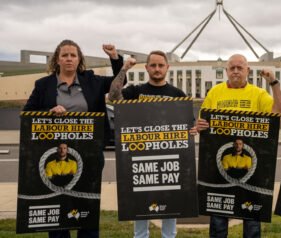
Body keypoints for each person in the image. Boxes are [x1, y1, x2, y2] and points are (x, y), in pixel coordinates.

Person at [23, 39, 124, 238]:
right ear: (57, 60)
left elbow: (119, 83)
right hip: (55, 154)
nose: (69, 59)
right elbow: (27, 114)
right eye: (64, 55)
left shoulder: (92, 80)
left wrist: (114, 58)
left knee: (87, 203)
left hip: (90, 154)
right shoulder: (43, 85)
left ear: (79, 60)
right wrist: (48, 111)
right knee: (58, 204)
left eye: (73, 55)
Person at [193, 54, 281, 238]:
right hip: (221, 169)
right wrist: (200, 125)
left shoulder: (258, 94)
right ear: (226, 71)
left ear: (247, 71)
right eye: (232, 68)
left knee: (252, 221)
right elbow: (203, 122)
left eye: (240, 68)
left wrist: (273, 83)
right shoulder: (215, 92)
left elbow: (280, 112)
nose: (236, 71)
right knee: (219, 221)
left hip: (251, 168)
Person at [108, 50, 186, 238]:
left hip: (169, 159)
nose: (157, 69)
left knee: (170, 203)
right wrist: (124, 68)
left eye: (161, 65)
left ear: (167, 68)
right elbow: (112, 96)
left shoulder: (178, 94)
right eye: (153, 65)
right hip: (140, 159)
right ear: (147, 68)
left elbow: (187, 126)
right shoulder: (135, 91)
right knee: (140, 203)